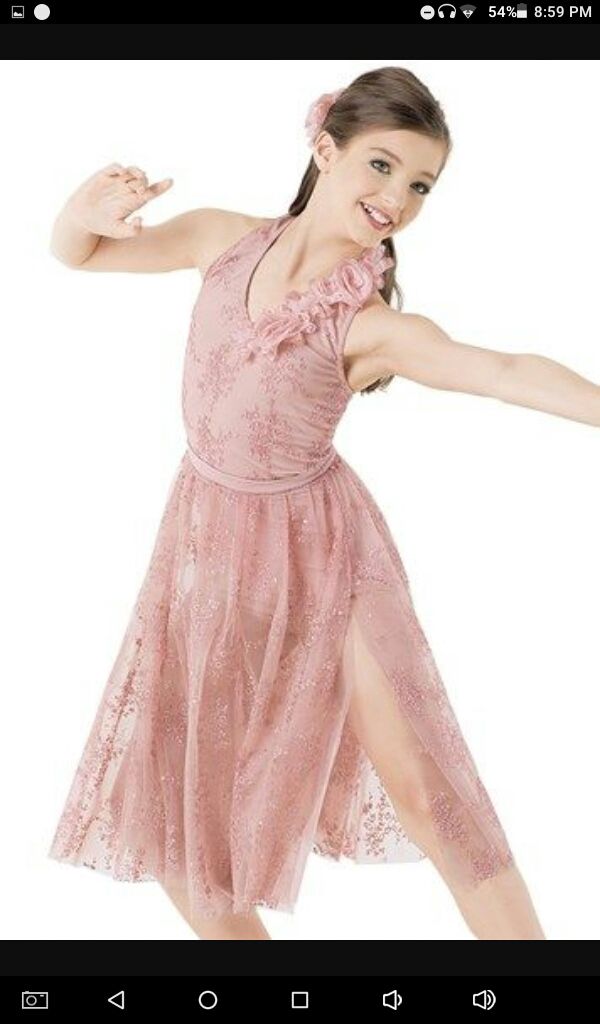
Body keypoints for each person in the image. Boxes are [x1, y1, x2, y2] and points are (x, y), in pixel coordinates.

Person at [47, 65, 598, 942]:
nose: (399, 199)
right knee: (173, 802)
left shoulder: (368, 325)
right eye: (383, 166)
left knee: (422, 782)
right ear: (325, 149)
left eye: (420, 185)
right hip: (208, 541)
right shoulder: (222, 240)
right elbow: (81, 253)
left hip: (324, 553)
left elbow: (502, 371)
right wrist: (82, 212)